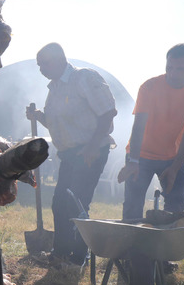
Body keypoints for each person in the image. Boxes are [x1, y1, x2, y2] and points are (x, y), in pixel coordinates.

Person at [26, 42, 118, 266]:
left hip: (90, 151)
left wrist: (93, 147)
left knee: (76, 203)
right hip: (69, 154)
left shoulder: (84, 78)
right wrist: (38, 115)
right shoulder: (54, 88)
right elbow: (57, 124)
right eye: (39, 66)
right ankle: (60, 253)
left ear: (60, 60)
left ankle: (78, 258)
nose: (41, 70)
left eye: (44, 64)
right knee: (60, 202)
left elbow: (108, 113)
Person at [118, 43, 184, 220]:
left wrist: (176, 166)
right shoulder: (149, 87)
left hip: (173, 157)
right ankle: (130, 246)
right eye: (170, 67)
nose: (173, 74)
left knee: (175, 208)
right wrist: (133, 161)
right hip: (141, 155)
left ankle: (167, 246)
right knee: (132, 206)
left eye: (180, 69)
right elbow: (138, 126)